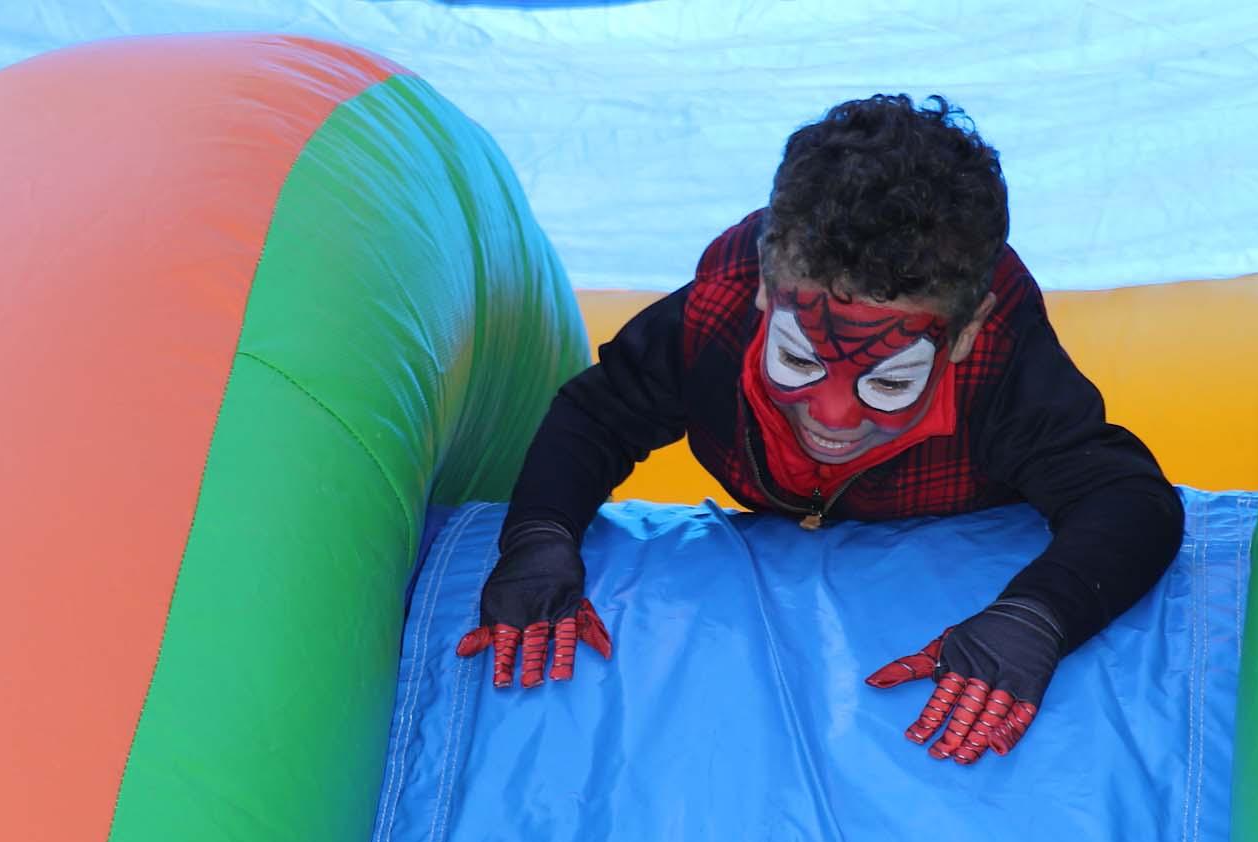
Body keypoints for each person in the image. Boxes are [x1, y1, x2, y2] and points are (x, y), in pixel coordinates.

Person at [457, 94, 1183, 767]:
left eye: (890, 380)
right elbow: (595, 414)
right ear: (767, 295)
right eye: (799, 358)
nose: (833, 417)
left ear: (962, 338)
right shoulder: (715, 321)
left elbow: (1129, 499)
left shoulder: (1002, 373)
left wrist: (1036, 616)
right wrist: (539, 539)